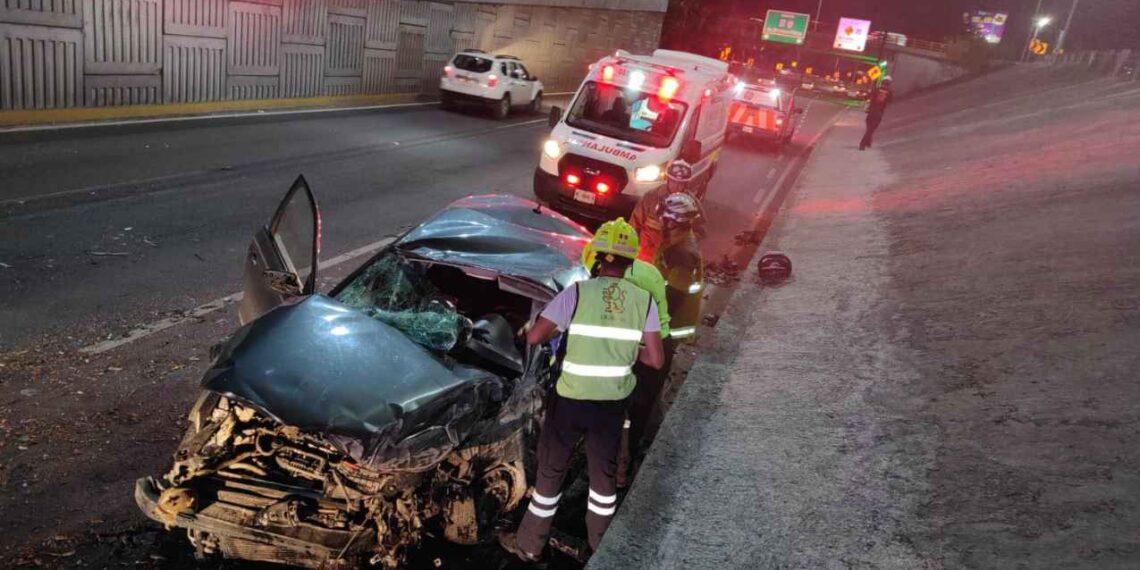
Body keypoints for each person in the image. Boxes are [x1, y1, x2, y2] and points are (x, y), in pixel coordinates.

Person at [499, 218, 665, 562]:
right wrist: (627, 348)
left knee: (550, 473)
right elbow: (655, 359)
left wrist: (558, 328)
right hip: (611, 406)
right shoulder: (644, 300)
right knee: (603, 481)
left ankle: (529, 546)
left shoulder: (576, 293)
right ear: (630, 262)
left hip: (570, 402)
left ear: (599, 257)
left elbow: (535, 336)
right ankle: (599, 548)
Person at [580, 241, 672, 486]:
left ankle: (619, 470)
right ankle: (623, 460)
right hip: (655, 343)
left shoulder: (625, 286)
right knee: (637, 409)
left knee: (626, 410)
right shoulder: (645, 271)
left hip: (645, 347)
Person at [630, 159, 705, 264]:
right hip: (647, 252)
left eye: (681, 184)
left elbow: (699, 230)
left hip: (671, 257)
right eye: (674, 182)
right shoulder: (651, 197)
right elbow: (635, 223)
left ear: (686, 184)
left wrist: (684, 246)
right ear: (668, 180)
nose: (677, 186)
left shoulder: (691, 205)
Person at [859, 76, 893, 151]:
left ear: (882, 82)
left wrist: (864, 97)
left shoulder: (876, 90)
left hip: (871, 111)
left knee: (869, 128)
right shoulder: (889, 92)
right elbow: (890, 101)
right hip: (879, 113)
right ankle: (863, 144)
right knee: (871, 129)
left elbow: (867, 96)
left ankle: (867, 142)